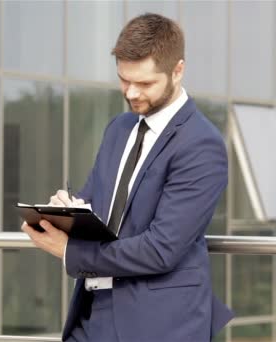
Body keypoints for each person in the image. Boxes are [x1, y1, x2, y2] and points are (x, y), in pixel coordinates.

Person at [21, 13, 233, 341]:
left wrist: (69, 251)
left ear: (178, 70)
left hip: (158, 323)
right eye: (124, 80)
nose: (131, 93)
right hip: (91, 314)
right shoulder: (119, 128)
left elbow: (161, 249)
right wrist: (64, 212)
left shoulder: (201, 144)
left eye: (145, 83)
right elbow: (95, 202)